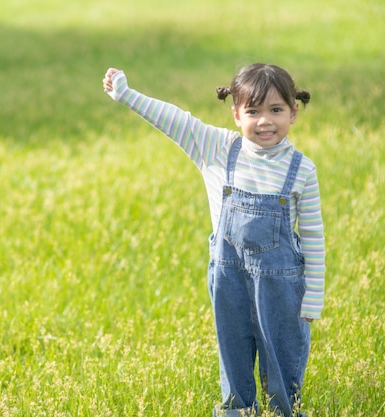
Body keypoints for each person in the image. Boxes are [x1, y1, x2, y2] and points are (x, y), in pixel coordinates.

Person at [102, 64, 325, 417]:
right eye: (253, 111)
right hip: (229, 280)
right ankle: (236, 410)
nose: (265, 121)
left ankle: (284, 412)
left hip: (281, 286)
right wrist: (127, 95)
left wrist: (313, 295)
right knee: (233, 353)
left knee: (282, 357)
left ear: (294, 112)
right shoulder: (217, 149)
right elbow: (175, 119)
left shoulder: (302, 169)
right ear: (236, 113)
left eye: (276, 110)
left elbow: (312, 235)